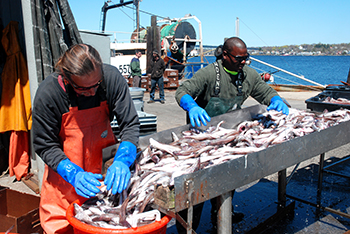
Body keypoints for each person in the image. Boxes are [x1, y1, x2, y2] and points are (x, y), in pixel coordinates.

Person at [174, 37, 289, 232]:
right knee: (198, 187)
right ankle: (188, 225)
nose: (244, 62)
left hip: (230, 135)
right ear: (225, 55)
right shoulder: (209, 73)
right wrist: (191, 106)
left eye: (246, 57)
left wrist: (276, 99)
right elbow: (182, 90)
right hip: (203, 138)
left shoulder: (248, 75)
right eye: (239, 58)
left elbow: (265, 92)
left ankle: (222, 213)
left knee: (229, 177)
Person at [32, 44, 140, 233]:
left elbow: (130, 124)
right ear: (66, 78)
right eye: (83, 89)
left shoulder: (112, 78)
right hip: (63, 182)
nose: (91, 93)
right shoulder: (48, 93)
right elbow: (44, 144)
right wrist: (73, 174)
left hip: (104, 181)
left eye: (96, 85)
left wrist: (123, 160)